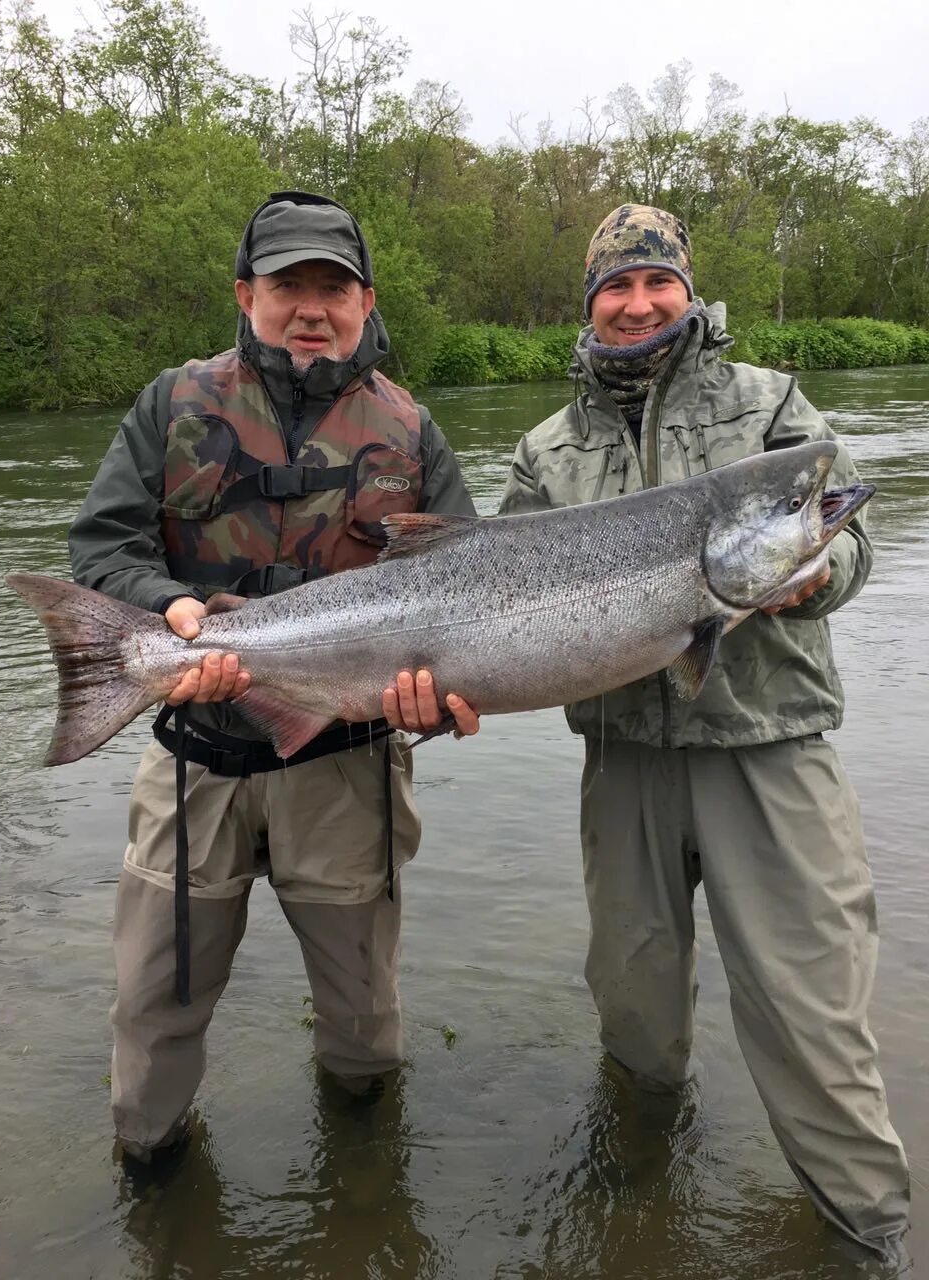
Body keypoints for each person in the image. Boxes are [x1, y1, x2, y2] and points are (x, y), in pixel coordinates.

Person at [385, 205, 910, 1268]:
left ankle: (871, 1236)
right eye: (614, 288)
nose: (636, 304)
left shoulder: (773, 409)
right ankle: (641, 1203)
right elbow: (487, 614)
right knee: (633, 1009)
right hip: (623, 761)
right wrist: (431, 699)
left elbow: (848, 548)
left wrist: (812, 576)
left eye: (655, 283)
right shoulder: (546, 449)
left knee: (813, 1014)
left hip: (770, 749)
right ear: (591, 304)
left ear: (685, 289)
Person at [68, 190, 476, 1164]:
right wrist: (165, 610)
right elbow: (101, 549)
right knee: (152, 1018)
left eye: (331, 287)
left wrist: (439, 702)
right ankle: (155, 1180)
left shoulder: (414, 433)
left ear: (366, 299)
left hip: (349, 767)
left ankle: (364, 1183)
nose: (310, 307)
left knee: (364, 1028)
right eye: (287, 284)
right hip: (192, 763)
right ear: (245, 292)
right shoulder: (172, 404)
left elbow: (468, 594)